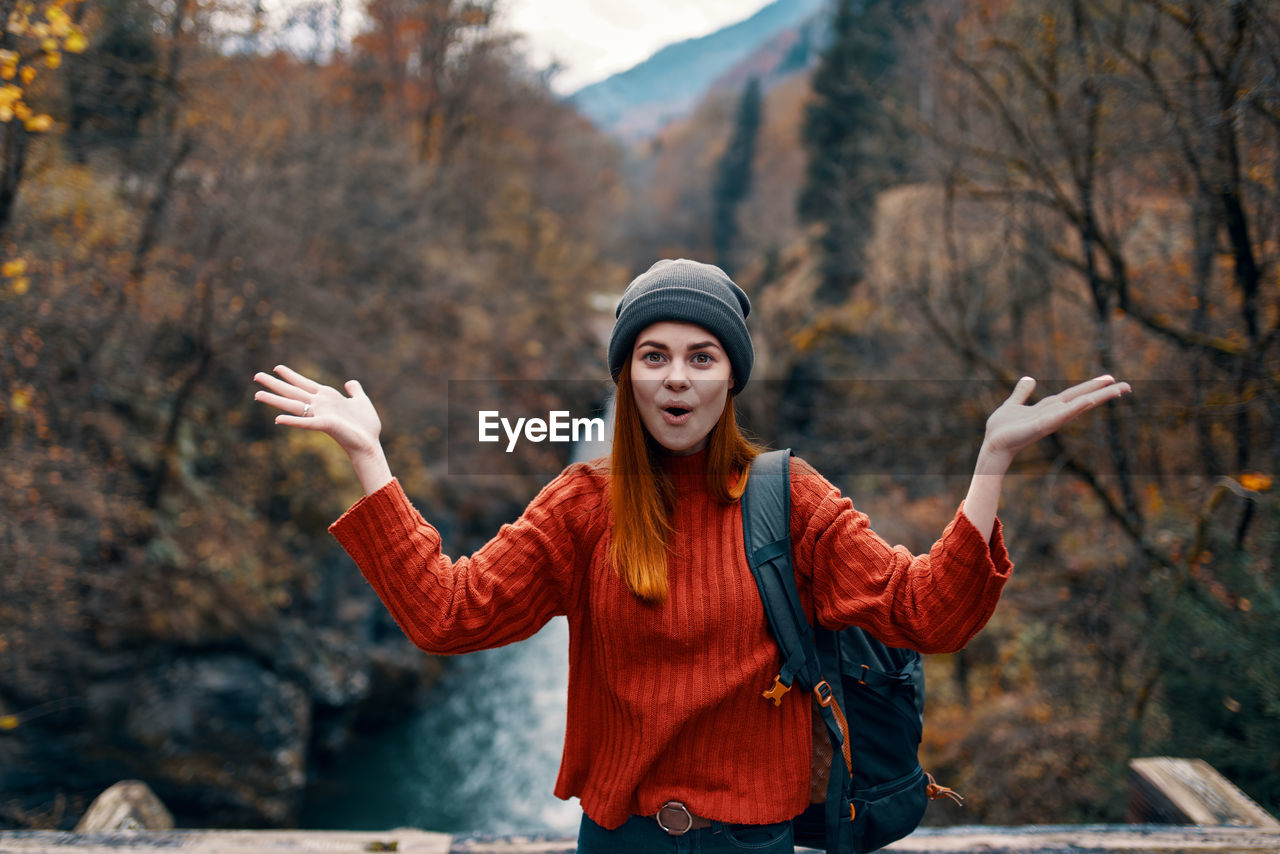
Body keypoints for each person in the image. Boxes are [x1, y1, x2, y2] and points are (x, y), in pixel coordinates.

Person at [253, 259, 1129, 853]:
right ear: (628, 375)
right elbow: (449, 614)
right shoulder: (583, 504)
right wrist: (369, 457)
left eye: (702, 357)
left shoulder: (793, 500)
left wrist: (992, 464)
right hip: (620, 839)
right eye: (655, 356)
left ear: (731, 378)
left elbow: (927, 611)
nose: (678, 377)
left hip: (756, 842)